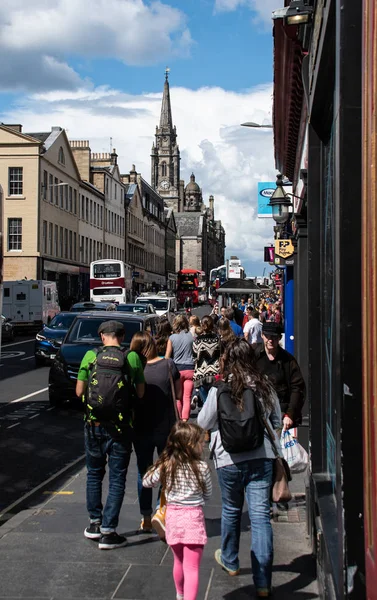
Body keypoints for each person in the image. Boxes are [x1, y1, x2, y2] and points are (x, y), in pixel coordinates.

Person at [198, 339, 281, 598]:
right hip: (261, 457)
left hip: (228, 460)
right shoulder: (264, 385)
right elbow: (276, 419)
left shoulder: (220, 388)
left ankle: (231, 560)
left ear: (227, 359)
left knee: (232, 510)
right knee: (259, 517)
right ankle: (263, 581)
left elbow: (202, 421)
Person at [76, 320, 145, 550]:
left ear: (102, 336)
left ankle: (94, 524)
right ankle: (109, 531)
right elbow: (141, 392)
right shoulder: (131, 358)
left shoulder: (90, 356)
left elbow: (78, 392)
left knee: (94, 474)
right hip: (121, 427)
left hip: (94, 426)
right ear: (121, 336)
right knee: (117, 478)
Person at [143, 422, 212, 600]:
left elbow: (146, 481)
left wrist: (159, 466)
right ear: (190, 445)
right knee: (192, 568)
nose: (203, 445)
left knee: (178, 561)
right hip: (193, 519)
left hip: (173, 519)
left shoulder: (167, 465)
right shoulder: (202, 468)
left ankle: (179, 595)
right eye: (200, 442)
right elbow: (208, 494)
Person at [130, 331, 181, 532]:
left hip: (140, 428)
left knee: (144, 471)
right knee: (166, 472)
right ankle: (163, 511)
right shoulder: (168, 365)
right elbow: (177, 394)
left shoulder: (134, 368)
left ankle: (146, 517)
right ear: (151, 345)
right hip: (165, 428)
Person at [255, 321, 306, 432]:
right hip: (258, 411)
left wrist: (290, 414)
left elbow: (297, 387)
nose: (270, 340)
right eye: (267, 336)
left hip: (281, 413)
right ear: (262, 335)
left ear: (279, 338)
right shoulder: (255, 357)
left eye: (274, 337)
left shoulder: (288, 361)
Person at [165, 314, 195, 421]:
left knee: (178, 397)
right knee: (187, 397)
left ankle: (178, 420)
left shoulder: (172, 338)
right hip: (190, 369)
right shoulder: (191, 336)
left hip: (177, 370)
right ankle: (185, 420)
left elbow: (167, 357)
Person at [193, 316, 221, 405]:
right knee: (215, 403)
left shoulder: (197, 340)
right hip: (215, 373)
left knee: (206, 403)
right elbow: (221, 353)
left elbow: (194, 356)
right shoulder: (217, 339)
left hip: (201, 374)